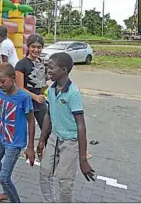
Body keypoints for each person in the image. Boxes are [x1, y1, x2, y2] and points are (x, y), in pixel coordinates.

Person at [37, 52, 95, 203]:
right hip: (54, 137)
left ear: (64, 70)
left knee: (65, 182)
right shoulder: (50, 90)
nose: (48, 70)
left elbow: (81, 126)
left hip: (70, 141)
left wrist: (83, 160)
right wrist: (42, 140)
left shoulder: (73, 93)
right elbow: (48, 115)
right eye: (47, 67)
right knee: (44, 173)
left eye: (51, 68)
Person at [0, 63, 35, 203]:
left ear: (13, 78)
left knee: (4, 177)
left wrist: (30, 146)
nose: (0, 85)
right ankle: (7, 190)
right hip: (3, 136)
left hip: (15, 142)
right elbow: (2, 107)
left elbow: (31, 121)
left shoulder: (23, 97)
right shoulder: (1, 92)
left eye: (3, 81)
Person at [15, 34, 48, 131]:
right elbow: (19, 87)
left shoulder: (41, 62)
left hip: (40, 102)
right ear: (28, 47)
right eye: (33, 47)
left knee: (46, 129)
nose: (36, 50)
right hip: (25, 102)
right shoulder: (21, 64)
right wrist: (35, 97)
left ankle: (45, 145)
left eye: (39, 47)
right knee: (23, 130)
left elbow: (42, 82)